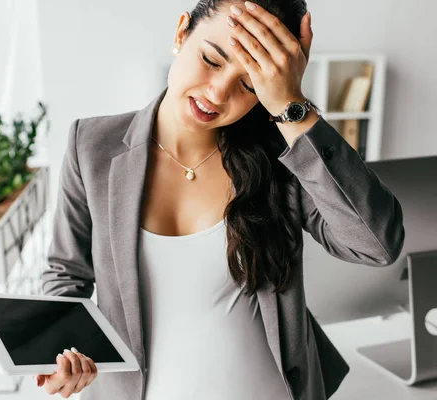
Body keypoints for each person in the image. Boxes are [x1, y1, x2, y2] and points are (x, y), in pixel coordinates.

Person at [34, 0, 405, 399]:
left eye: (250, 83)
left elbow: (377, 245)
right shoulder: (92, 146)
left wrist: (291, 107)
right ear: (181, 34)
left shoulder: (283, 156)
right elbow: (66, 274)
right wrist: (61, 352)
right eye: (212, 59)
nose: (217, 92)